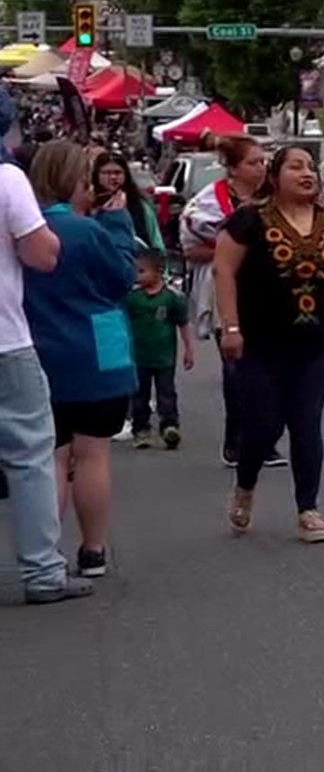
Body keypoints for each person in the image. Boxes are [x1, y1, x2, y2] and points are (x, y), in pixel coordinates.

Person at [214, 147, 324, 544]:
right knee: (262, 425)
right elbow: (223, 270)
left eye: (310, 168)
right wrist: (230, 326)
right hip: (259, 342)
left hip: (317, 342)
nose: (306, 174)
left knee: (305, 423)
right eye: (295, 166)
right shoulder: (250, 220)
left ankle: (308, 509)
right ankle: (245, 485)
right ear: (275, 175)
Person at [23, 141, 139, 580]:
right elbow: (122, 277)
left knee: (51, 455)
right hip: (97, 351)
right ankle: (93, 550)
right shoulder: (89, 231)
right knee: (93, 454)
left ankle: (44, 553)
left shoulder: (25, 231)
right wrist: (117, 222)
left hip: (40, 347)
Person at [0, 91, 82, 604]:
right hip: (6, 341)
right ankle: (43, 572)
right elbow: (41, 253)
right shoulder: (8, 179)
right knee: (30, 454)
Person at [182, 135, 281, 469]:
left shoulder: (276, 199)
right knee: (237, 367)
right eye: (253, 162)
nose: (261, 167)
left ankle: (265, 440)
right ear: (233, 168)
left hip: (269, 291)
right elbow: (191, 249)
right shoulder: (208, 203)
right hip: (226, 289)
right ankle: (237, 440)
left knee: (271, 368)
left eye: (263, 161)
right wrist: (235, 252)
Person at [126, 248, 193, 450]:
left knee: (167, 392)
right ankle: (141, 429)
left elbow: (183, 323)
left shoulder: (171, 298)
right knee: (139, 395)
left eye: (142, 271)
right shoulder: (133, 299)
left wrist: (189, 348)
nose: (137, 276)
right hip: (139, 356)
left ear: (158, 271)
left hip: (164, 356)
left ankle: (170, 426)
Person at [92, 151, 163, 250]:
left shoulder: (141, 206)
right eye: (106, 173)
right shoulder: (89, 205)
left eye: (117, 172)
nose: (113, 177)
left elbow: (156, 241)